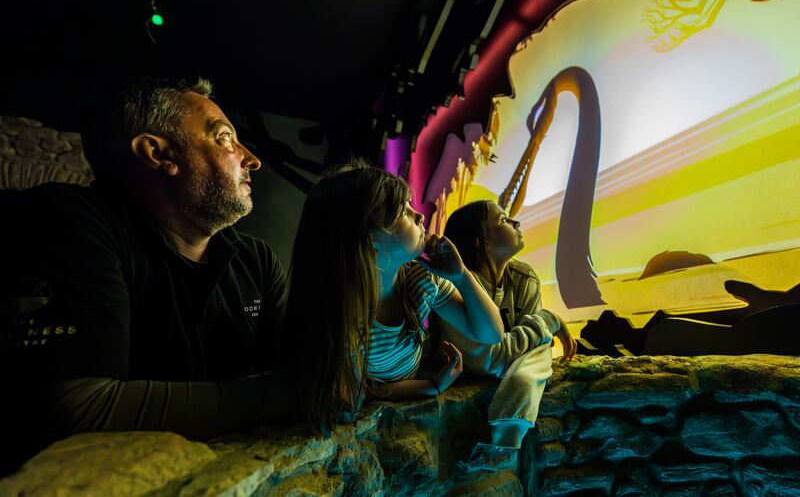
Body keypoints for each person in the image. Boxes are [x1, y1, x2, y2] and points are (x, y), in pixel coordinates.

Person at [0, 78, 289, 473]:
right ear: (158, 153)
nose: (251, 158)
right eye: (225, 138)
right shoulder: (67, 222)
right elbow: (84, 407)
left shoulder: (256, 259)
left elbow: (306, 358)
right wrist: (291, 395)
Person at [279, 159, 505, 434]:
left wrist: (461, 276)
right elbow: (355, 396)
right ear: (370, 241)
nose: (420, 216)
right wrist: (429, 386)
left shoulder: (420, 278)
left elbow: (491, 334)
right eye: (403, 212)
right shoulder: (340, 314)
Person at [441, 200, 577, 471]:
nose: (516, 223)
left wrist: (540, 334)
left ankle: (507, 435)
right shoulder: (453, 288)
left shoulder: (524, 279)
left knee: (539, 350)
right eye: (503, 220)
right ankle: (507, 435)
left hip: (507, 369)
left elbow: (534, 349)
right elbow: (489, 361)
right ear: (481, 242)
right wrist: (547, 321)